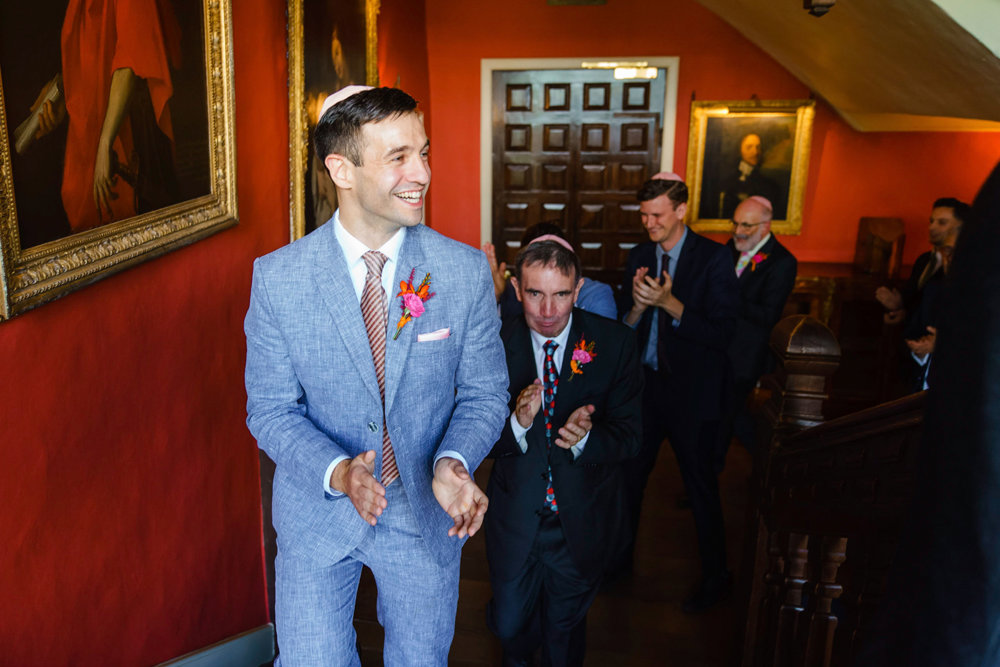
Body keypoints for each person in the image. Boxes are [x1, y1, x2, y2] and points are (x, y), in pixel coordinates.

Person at [244, 86, 509, 666]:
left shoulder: (463, 271)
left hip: (423, 512)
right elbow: (270, 409)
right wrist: (338, 471)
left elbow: (486, 394)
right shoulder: (278, 279)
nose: (423, 174)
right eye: (398, 157)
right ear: (342, 169)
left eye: (424, 152)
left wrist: (453, 461)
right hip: (317, 513)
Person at [485, 238, 642, 666]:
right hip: (515, 516)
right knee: (509, 627)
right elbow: (471, 437)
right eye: (535, 293)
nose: (548, 310)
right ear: (516, 288)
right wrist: (517, 423)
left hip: (580, 519)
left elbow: (630, 437)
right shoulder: (493, 343)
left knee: (563, 637)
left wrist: (587, 439)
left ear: (579, 289)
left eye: (561, 294)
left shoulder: (615, 343)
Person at [618, 172, 739, 613]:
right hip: (646, 389)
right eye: (644, 215)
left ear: (681, 210)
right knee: (630, 480)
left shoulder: (714, 258)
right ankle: (619, 564)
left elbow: (724, 334)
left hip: (692, 392)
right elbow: (623, 331)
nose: (649, 223)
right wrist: (637, 307)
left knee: (700, 486)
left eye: (657, 215)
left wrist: (669, 303)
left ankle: (716, 577)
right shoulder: (638, 256)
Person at [30, 0, 181, 232]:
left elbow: (131, 58)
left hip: (134, 133)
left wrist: (104, 143)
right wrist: (65, 96)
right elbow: (96, 50)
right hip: (98, 136)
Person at [720, 195, 797, 464]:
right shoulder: (730, 247)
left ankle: (769, 462)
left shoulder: (783, 262)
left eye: (746, 225)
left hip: (746, 354)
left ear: (765, 226)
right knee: (724, 412)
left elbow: (768, 315)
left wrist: (728, 297)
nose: (737, 231)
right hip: (718, 345)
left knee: (731, 412)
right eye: (735, 223)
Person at [876, 198, 970, 391]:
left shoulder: (983, 289)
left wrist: (943, 343)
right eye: (931, 221)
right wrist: (899, 309)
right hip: (919, 371)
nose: (932, 227)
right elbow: (920, 313)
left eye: (942, 222)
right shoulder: (927, 269)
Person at [483, 223, 618, 321]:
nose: (547, 313)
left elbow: (604, 341)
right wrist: (494, 298)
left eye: (561, 293)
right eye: (535, 293)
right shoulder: (510, 292)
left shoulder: (596, 294)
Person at [717, 133, 780, 220]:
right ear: (739, 150)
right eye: (749, 147)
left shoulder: (770, 186)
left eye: (758, 147)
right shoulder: (725, 182)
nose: (755, 152)